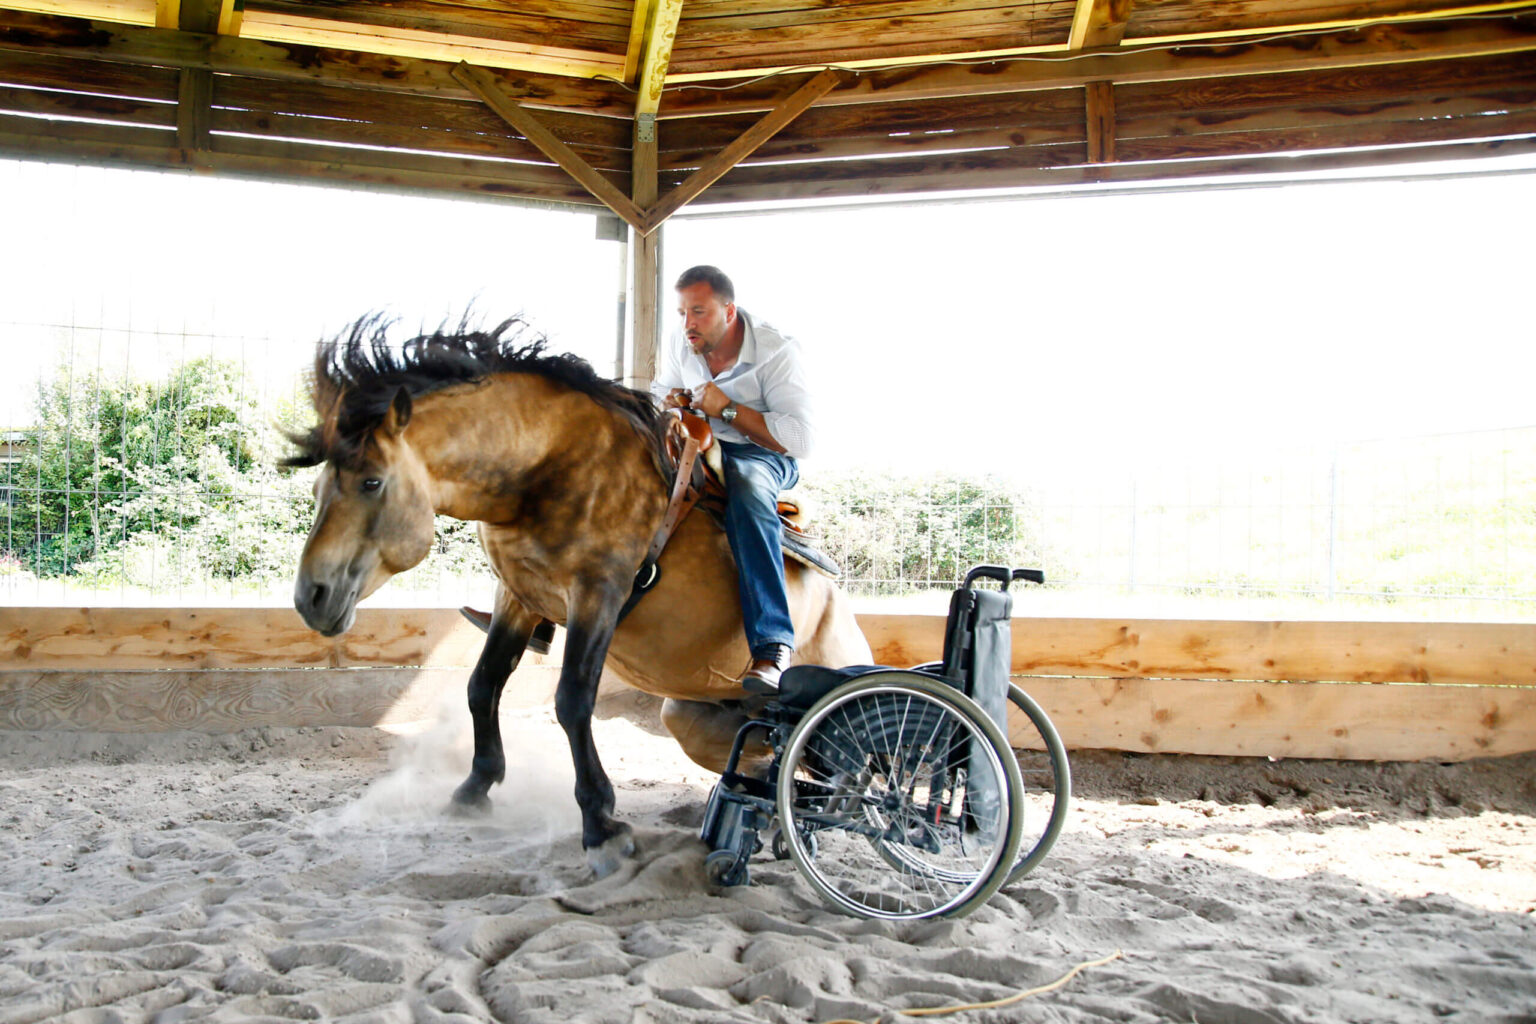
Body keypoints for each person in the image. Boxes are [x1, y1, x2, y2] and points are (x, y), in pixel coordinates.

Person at [653, 265, 815, 691]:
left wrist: (728, 410)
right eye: (683, 312)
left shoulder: (777, 352)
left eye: (700, 312)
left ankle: (772, 647)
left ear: (730, 310)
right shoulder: (681, 341)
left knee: (747, 491)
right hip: (695, 440)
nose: (688, 323)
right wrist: (670, 401)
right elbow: (660, 390)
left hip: (762, 454)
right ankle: (544, 611)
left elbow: (799, 440)